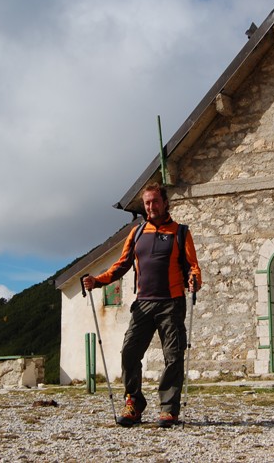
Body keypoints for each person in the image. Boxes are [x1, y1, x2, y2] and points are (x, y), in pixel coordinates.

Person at [82, 182, 202, 428]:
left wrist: (195, 279)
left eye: (155, 201)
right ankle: (134, 403)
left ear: (165, 202)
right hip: (143, 304)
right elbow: (121, 265)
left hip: (172, 303)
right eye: (147, 203)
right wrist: (97, 281)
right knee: (129, 352)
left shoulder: (181, 232)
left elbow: (193, 265)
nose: (150, 206)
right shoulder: (137, 233)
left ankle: (169, 409)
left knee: (173, 356)